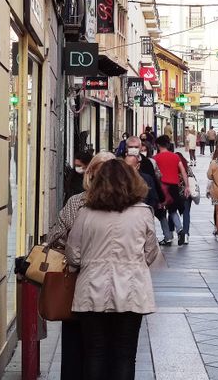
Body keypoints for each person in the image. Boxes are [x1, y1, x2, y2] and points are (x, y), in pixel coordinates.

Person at [65, 159, 159, 380]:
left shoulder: (85, 213)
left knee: (94, 353)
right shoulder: (143, 213)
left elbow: (73, 254)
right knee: (125, 355)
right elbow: (151, 252)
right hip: (131, 291)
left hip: (91, 291)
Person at [46, 152, 115, 380]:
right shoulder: (125, 204)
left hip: (82, 283)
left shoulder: (79, 203)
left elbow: (57, 238)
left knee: (83, 349)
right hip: (103, 287)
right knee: (102, 350)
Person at [153, 135, 190, 246]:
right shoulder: (175, 157)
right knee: (173, 210)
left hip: (161, 187)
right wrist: (187, 186)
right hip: (174, 187)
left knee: (161, 213)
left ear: (158, 145)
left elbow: (153, 173)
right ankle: (180, 229)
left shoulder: (155, 158)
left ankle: (168, 236)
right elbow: (183, 171)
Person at [174, 151, 194, 245]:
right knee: (186, 213)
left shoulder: (173, 167)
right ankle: (186, 234)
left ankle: (171, 232)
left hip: (175, 193)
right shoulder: (187, 167)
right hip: (186, 193)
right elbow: (192, 177)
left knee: (172, 212)